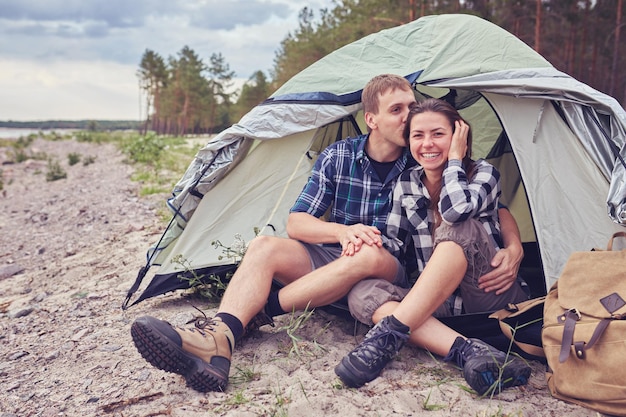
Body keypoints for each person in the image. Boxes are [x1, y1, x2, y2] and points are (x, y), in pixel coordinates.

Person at [130, 75, 524, 394]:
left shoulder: (422, 154)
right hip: (342, 254)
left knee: (371, 252)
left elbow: (486, 207)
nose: (411, 121)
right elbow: (297, 223)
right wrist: (341, 229)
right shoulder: (346, 158)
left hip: (388, 261)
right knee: (265, 246)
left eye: (414, 110)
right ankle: (222, 339)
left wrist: (515, 245)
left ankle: (253, 317)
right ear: (371, 118)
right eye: (398, 110)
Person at [335, 98, 531, 396]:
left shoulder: (483, 174)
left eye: (438, 134)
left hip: (489, 292)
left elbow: (455, 211)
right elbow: (394, 245)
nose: (427, 144)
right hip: (438, 302)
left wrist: (455, 160)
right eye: (418, 135)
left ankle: (385, 339)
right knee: (363, 293)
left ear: (458, 136)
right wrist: (361, 243)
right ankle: (467, 350)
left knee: (456, 226)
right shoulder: (407, 184)